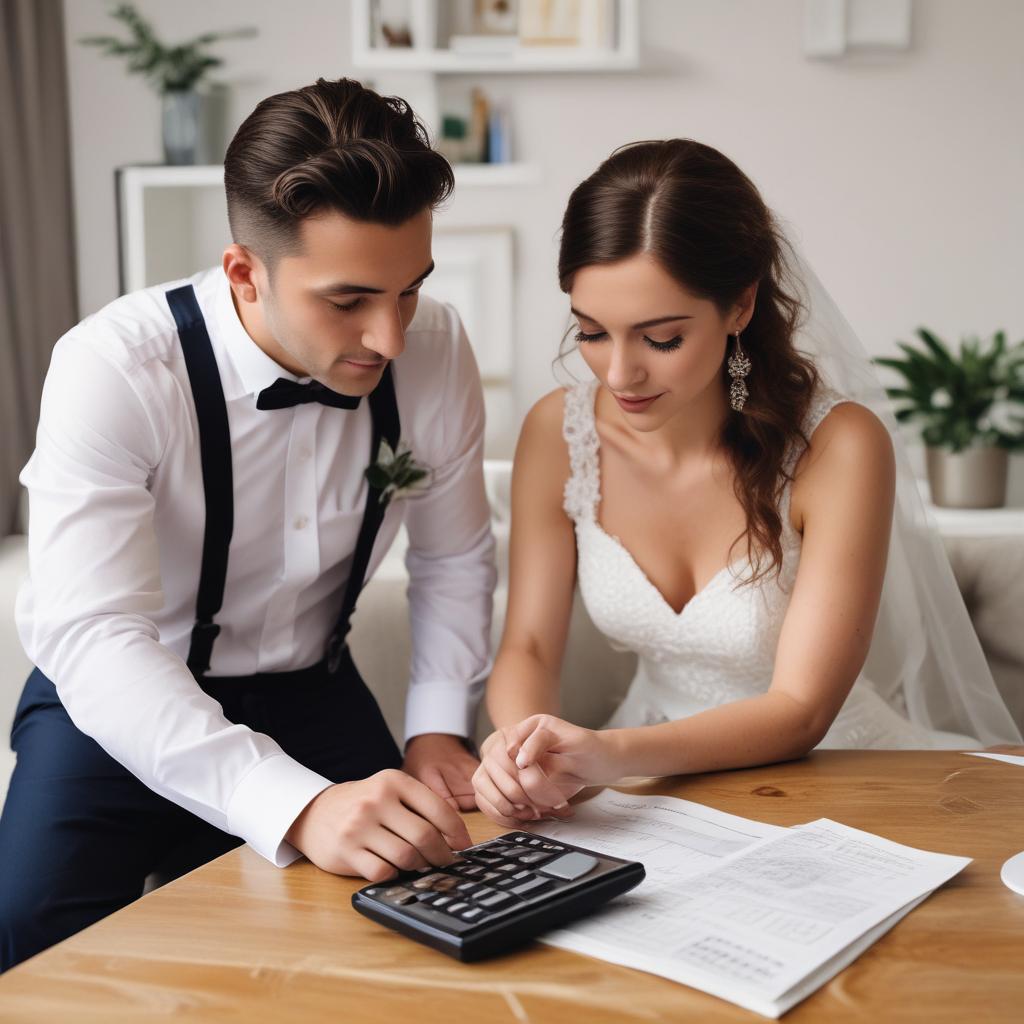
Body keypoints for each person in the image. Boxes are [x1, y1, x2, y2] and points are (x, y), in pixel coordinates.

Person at [0, 78, 497, 972]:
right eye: (348, 300)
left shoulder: (438, 350)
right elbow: (95, 635)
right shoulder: (112, 367)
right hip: (119, 698)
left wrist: (436, 728)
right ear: (244, 272)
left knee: (405, 938)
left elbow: (454, 555)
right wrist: (298, 806)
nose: (389, 338)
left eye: (410, 291)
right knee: (30, 936)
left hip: (315, 688)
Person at [471, 139, 1022, 826]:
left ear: (739, 307)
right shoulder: (558, 432)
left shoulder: (841, 447)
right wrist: (520, 749)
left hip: (826, 774)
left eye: (661, 338)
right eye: (591, 332)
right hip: (628, 777)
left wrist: (614, 755)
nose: (618, 375)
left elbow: (801, 709)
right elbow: (526, 644)